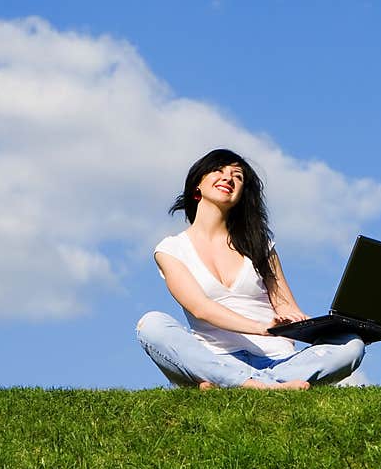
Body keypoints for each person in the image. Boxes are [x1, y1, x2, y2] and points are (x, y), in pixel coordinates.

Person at [136, 148, 366, 390]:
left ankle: (237, 384)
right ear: (197, 186)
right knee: (151, 325)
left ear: (241, 195)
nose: (228, 178)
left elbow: (286, 305)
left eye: (238, 176)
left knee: (352, 345)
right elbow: (200, 308)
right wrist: (261, 328)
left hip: (279, 360)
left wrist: (315, 324)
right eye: (218, 170)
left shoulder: (261, 246)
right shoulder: (172, 249)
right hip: (217, 358)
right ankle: (253, 383)